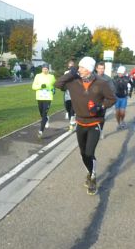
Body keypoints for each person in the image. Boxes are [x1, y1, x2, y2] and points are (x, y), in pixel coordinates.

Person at [55, 57, 116, 195]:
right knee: (83, 154)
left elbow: (112, 99)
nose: (79, 69)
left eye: (82, 67)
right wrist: (71, 73)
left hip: (95, 121)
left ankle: (93, 177)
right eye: (79, 67)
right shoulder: (73, 82)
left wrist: (100, 107)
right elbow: (58, 84)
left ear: (89, 69)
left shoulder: (101, 83)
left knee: (89, 152)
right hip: (80, 122)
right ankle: (89, 172)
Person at [32, 63, 56, 139]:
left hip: (48, 97)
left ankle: (41, 131)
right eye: (44, 69)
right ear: (42, 69)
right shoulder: (38, 76)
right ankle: (46, 119)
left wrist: (53, 89)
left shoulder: (51, 77)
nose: (45, 70)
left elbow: (54, 85)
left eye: (46, 69)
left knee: (44, 114)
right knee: (42, 113)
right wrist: (40, 86)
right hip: (40, 97)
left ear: (48, 69)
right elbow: (33, 87)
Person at [95, 61, 115, 138]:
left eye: (102, 68)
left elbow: (112, 90)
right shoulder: (92, 77)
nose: (101, 70)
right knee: (93, 117)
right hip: (92, 101)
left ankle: (101, 131)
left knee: (101, 117)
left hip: (103, 101)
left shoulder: (108, 79)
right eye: (99, 68)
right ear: (96, 69)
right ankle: (93, 132)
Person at [113, 66, 131, 130]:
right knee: (117, 112)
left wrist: (130, 93)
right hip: (116, 97)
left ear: (123, 73)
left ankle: (122, 121)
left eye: (121, 73)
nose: (120, 74)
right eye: (119, 73)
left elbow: (132, 85)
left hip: (124, 97)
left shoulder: (127, 78)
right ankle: (118, 123)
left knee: (122, 112)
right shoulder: (114, 78)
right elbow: (111, 87)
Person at [63, 60, 76, 130]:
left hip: (74, 93)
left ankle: (72, 123)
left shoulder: (77, 73)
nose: (71, 67)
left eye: (72, 66)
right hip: (67, 93)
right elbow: (63, 82)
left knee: (72, 109)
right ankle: (72, 120)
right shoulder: (66, 73)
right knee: (68, 108)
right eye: (70, 66)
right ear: (68, 67)